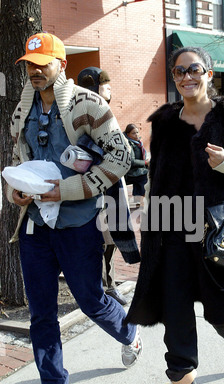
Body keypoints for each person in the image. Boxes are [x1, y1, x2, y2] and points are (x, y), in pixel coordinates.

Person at [6, 32, 142, 384]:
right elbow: (22, 156)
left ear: (61, 65)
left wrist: (64, 190)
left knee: (90, 299)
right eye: (29, 65)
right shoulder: (24, 107)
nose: (34, 71)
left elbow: (121, 157)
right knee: (41, 313)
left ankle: (130, 331)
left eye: (42, 64)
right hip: (35, 225)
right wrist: (19, 191)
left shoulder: (88, 104)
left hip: (78, 223)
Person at [125, 46, 224, 384]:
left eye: (194, 70)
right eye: (179, 71)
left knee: (222, 314)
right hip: (170, 232)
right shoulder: (165, 120)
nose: (186, 77)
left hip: (216, 234)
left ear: (209, 73)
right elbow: (156, 179)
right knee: (176, 316)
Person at [77, 66, 127, 306]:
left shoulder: (102, 111)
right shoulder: (84, 113)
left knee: (110, 241)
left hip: (110, 187)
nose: (111, 90)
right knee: (99, 241)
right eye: (106, 85)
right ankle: (101, 288)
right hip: (95, 188)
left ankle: (109, 285)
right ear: (94, 86)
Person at [124, 124, 149, 206]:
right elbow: (132, 162)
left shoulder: (138, 143)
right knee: (144, 176)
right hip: (129, 172)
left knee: (145, 173)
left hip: (137, 169)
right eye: (133, 133)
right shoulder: (129, 144)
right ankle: (141, 200)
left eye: (137, 132)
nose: (137, 134)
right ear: (128, 135)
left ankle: (138, 199)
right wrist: (145, 163)